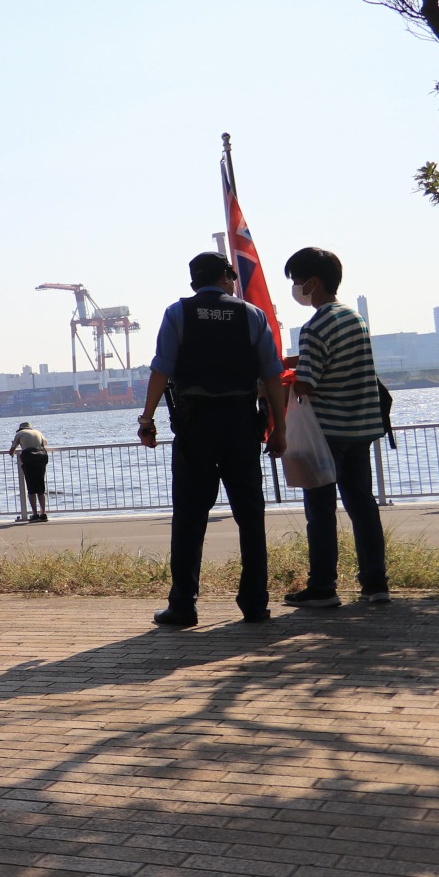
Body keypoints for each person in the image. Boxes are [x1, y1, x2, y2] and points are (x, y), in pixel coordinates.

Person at [138, 251, 288, 628]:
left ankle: (183, 605)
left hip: (195, 426)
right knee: (250, 516)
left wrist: (147, 419)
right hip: (241, 425)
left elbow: (161, 369)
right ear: (226, 277)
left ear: (194, 283)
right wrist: (280, 428)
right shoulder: (252, 314)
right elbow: (272, 375)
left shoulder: (177, 313)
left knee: (189, 516)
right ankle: (254, 603)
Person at [283, 246, 390, 608]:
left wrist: (280, 379)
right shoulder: (354, 318)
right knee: (363, 507)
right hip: (359, 429)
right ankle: (376, 583)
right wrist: (295, 361)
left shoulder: (314, 327)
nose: (296, 289)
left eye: (297, 281)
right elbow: (337, 359)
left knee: (320, 512)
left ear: (313, 282)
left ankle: (323, 587)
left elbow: (306, 384)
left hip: (325, 434)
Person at [8, 422, 50, 523]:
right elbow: (45, 444)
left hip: (29, 461)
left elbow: (11, 451)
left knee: (31, 489)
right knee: (41, 488)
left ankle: (35, 514)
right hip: (41, 460)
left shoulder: (19, 434)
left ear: (20, 429)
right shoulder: (38, 432)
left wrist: (17, 445)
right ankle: (43, 514)